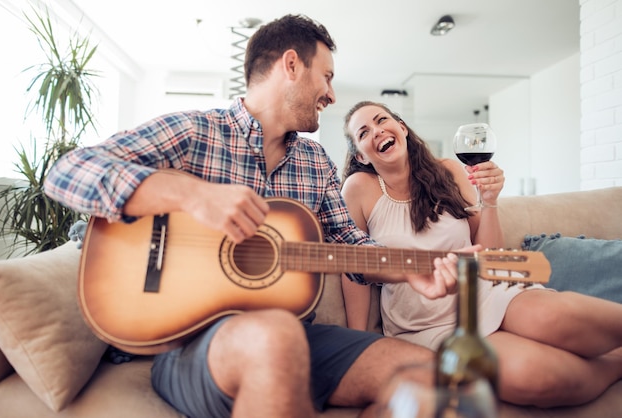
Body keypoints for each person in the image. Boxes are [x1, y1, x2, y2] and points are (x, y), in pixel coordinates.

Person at [44, 15, 465, 418]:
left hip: (297, 336)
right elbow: (66, 172)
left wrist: (407, 268)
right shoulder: (197, 132)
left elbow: (348, 242)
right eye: (328, 76)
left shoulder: (314, 159)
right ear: (291, 64)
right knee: (274, 336)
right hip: (193, 344)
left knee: (431, 376)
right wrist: (192, 195)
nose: (332, 95)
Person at [340, 100, 622, 408]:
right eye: (364, 132)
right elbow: (353, 266)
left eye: (382, 120)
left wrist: (489, 200)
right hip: (425, 325)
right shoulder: (357, 189)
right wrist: (360, 342)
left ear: (402, 128)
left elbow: (489, 254)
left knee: (563, 319)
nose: (377, 131)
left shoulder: (446, 170)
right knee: (539, 378)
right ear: (360, 155)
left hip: (486, 291)